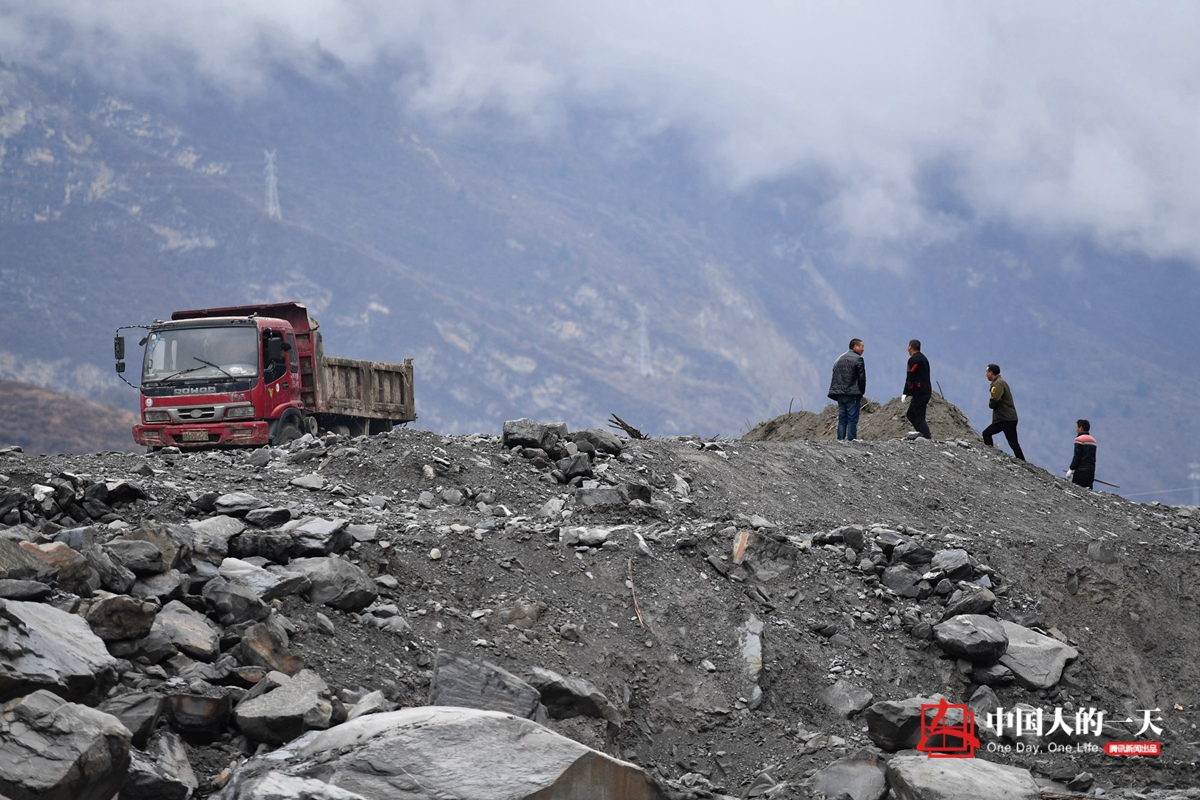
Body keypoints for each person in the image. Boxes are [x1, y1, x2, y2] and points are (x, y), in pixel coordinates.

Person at [981, 363, 1024, 460]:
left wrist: (991, 404)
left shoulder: (998, 383)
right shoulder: (1000, 382)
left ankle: (991, 455)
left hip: (1006, 419)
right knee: (1011, 441)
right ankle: (1022, 461)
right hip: (1005, 418)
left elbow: (995, 399)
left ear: (991, 372)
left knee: (1011, 442)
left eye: (987, 372)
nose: (986, 374)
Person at [828, 338, 866, 441]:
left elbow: (834, 374)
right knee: (852, 419)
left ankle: (840, 440)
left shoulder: (839, 359)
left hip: (839, 394)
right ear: (855, 346)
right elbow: (861, 377)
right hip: (852, 394)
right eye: (862, 347)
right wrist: (861, 392)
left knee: (842, 419)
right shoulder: (858, 359)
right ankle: (851, 440)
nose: (863, 349)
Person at [901, 339, 932, 439]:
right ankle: (921, 434)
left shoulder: (914, 360)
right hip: (923, 391)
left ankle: (927, 437)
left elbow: (910, 377)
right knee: (911, 414)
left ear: (910, 347)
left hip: (920, 393)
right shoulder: (923, 358)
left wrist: (905, 392)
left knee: (920, 418)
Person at [1067, 419, 1097, 489]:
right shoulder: (1093, 441)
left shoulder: (1079, 440)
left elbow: (1077, 457)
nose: (1076, 430)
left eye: (1077, 427)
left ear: (1081, 428)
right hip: (1091, 472)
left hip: (1080, 472)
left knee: (1076, 490)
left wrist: (1071, 469)